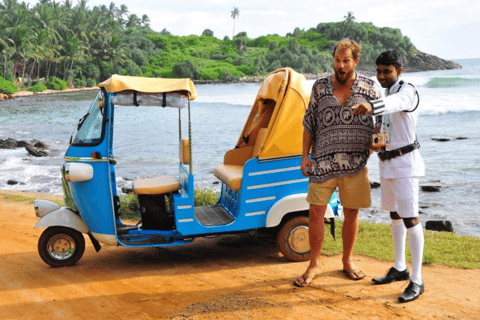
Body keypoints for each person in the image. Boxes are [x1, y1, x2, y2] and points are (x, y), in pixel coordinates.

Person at [295, 38, 379, 287]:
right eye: (337, 60)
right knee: (315, 213)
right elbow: (309, 123)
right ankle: (314, 264)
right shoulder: (320, 87)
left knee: (352, 213)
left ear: (356, 61)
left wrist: (376, 143)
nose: (341, 66)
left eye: (346, 61)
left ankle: (347, 260)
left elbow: (380, 122)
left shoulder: (370, 87)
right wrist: (304, 155)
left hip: (355, 164)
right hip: (322, 162)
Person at [352, 49, 425, 303]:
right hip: (387, 163)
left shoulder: (408, 91)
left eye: (387, 71)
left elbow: (398, 105)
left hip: (405, 165)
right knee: (394, 215)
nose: (382, 76)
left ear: (399, 71)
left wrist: (371, 106)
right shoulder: (386, 93)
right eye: (379, 71)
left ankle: (417, 280)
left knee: (411, 219)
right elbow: (387, 125)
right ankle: (400, 267)